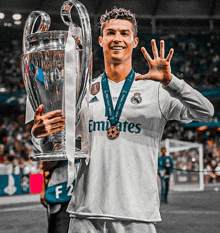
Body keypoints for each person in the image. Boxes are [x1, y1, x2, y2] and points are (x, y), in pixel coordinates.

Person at [31, 7, 214, 233]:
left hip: (137, 216)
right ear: (100, 40)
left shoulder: (156, 90)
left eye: (124, 33)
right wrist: (40, 136)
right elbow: (58, 147)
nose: (117, 38)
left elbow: (206, 112)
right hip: (85, 215)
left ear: (135, 41)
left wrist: (171, 81)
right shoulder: (82, 92)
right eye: (111, 32)